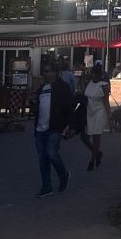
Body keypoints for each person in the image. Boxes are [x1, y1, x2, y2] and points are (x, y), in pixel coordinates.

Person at [32, 62, 76, 199]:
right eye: (44, 71)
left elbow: (70, 107)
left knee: (51, 153)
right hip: (41, 127)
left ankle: (63, 174)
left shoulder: (63, 88)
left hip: (56, 127)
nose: (46, 73)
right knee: (42, 158)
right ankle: (46, 187)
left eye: (49, 71)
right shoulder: (42, 88)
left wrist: (71, 126)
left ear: (56, 73)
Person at [83, 60, 111, 170]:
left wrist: (109, 114)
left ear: (99, 75)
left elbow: (106, 101)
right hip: (89, 111)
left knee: (96, 136)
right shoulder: (89, 83)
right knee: (85, 137)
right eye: (92, 74)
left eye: (94, 74)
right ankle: (97, 153)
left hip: (99, 111)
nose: (92, 76)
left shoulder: (103, 85)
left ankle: (92, 160)